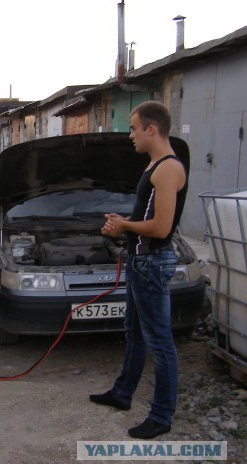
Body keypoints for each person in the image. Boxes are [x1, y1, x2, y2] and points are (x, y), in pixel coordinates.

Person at [90, 101, 188, 439]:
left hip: (152, 262)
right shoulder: (154, 165)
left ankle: (161, 416)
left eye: (134, 128)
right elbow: (146, 218)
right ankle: (122, 394)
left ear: (151, 129)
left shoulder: (168, 168)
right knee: (134, 332)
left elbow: (161, 228)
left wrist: (124, 226)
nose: (130, 135)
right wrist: (123, 226)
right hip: (140, 261)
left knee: (159, 342)